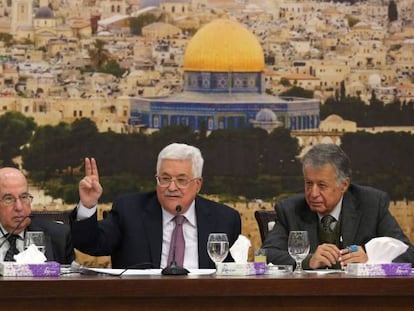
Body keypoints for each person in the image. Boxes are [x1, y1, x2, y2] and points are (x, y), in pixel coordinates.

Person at [71, 143, 241, 269]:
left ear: (198, 184)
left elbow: (234, 273)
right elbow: (90, 244)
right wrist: (88, 205)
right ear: (157, 179)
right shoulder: (130, 211)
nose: (172, 187)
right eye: (165, 179)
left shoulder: (224, 219)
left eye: (181, 180)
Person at [262, 143, 414, 269]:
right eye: (309, 183)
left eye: (322, 185)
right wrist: (308, 260)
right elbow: (266, 254)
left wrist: (371, 260)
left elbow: (408, 253)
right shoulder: (290, 210)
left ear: (344, 185)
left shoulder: (372, 205)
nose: (313, 193)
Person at [0, 167, 75, 264]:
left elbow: (71, 277)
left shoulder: (59, 237)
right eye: (9, 199)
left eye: (24, 197)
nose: (19, 207)